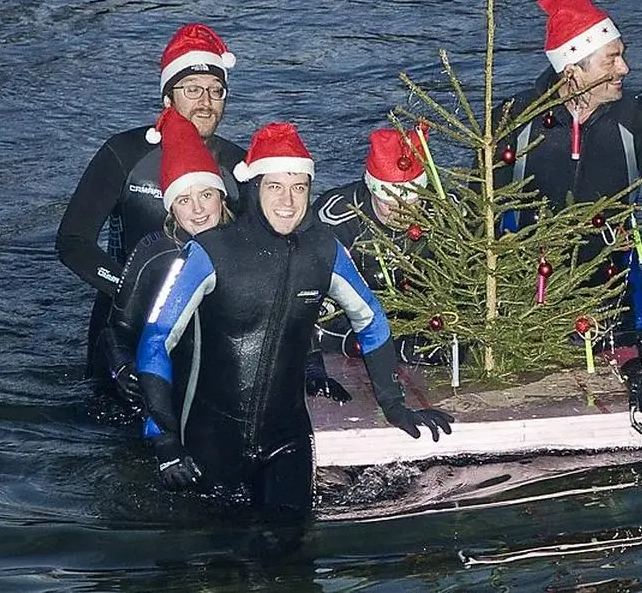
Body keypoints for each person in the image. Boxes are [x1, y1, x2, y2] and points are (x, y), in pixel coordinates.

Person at [136, 122, 453, 516]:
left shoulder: (323, 251)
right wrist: (165, 439)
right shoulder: (209, 251)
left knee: (293, 559)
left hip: (287, 441)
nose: (288, 200)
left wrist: (394, 405)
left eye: (298, 187)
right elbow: (155, 341)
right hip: (212, 439)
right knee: (217, 563)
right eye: (275, 187)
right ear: (254, 188)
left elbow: (370, 321)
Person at [494, 0, 642, 344]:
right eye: (611, 59)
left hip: (615, 303)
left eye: (622, 54)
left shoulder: (636, 119)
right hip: (525, 302)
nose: (624, 69)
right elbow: (481, 214)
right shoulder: (516, 119)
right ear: (572, 70)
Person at [56, 23, 245, 381]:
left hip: (205, 321)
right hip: (123, 322)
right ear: (168, 98)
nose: (205, 102)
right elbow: (72, 242)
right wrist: (128, 289)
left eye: (215, 91)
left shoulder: (238, 166)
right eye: (192, 90)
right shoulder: (124, 155)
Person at [100, 108, 234, 404]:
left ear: (222, 196)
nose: (198, 210)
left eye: (206, 196)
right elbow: (116, 330)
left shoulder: (247, 245)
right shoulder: (153, 253)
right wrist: (123, 366)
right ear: (171, 208)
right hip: (162, 388)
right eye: (185, 200)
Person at [312, 125, 446, 364]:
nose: (402, 212)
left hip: (425, 318)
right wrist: (383, 343)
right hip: (354, 322)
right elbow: (313, 308)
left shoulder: (445, 216)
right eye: (389, 203)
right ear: (372, 190)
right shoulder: (336, 219)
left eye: (411, 202)